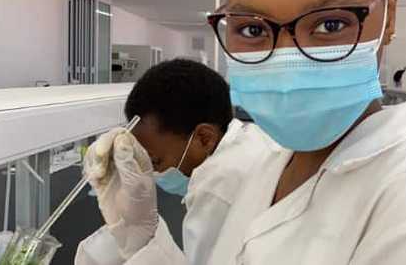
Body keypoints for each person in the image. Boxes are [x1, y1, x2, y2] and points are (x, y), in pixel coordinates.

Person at [73, 0, 406, 263]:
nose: (287, 63)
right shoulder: (277, 164)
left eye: (330, 24)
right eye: (252, 29)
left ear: (390, 11)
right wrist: (140, 234)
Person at [76, 59, 277, 264]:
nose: (154, 173)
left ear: (204, 138)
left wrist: (140, 230)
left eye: (155, 161)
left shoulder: (218, 186)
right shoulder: (251, 142)